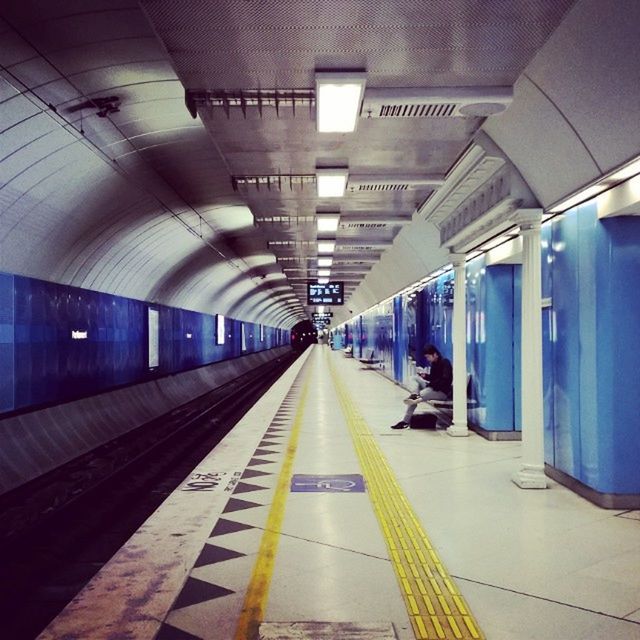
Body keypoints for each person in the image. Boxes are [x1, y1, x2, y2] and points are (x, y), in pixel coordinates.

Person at [390, 344, 452, 429]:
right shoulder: (434, 364)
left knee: (420, 395)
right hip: (432, 388)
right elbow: (433, 378)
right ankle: (414, 396)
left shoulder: (445, 363)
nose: (428, 359)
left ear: (435, 354)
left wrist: (431, 385)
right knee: (414, 378)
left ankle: (406, 420)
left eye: (428, 357)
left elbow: (445, 380)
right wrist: (425, 376)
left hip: (442, 392)